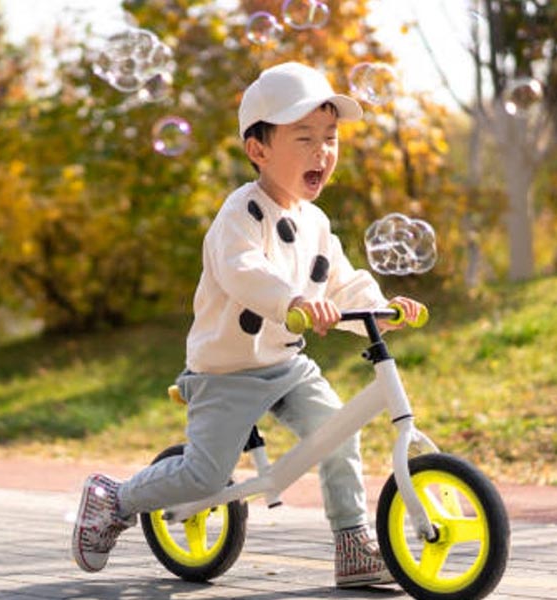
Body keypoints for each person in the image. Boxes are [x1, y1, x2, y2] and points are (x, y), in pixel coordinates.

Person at [72, 61, 426, 588]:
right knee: (205, 476)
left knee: (336, 434)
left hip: (285, 363)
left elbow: (342, 281)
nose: (322, 151)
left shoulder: (317, 222)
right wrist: (292, 303)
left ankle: (352, 543)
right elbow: (244, 273)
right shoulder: (239, 214)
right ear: (258, 150)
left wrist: (378, 308)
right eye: (303, 138)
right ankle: (114, 499)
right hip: (226, 370)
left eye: (329, 138)